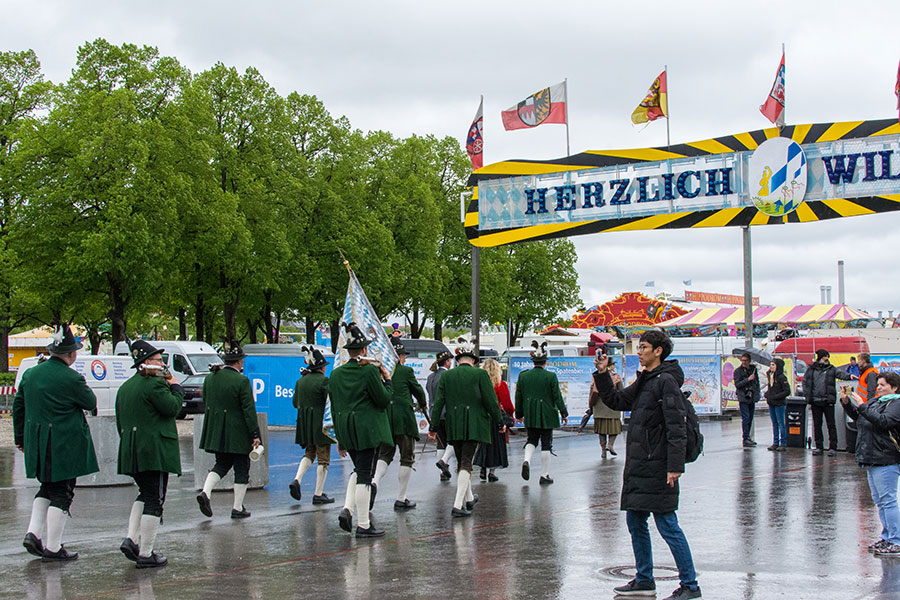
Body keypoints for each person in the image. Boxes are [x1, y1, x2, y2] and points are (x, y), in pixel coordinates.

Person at [594, 329, 702, 600]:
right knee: (635, 520)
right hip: (641, 465)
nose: (639, 351)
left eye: (643, 347)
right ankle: (644, 578)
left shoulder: (665, 381)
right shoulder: (647, 379)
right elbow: (618, 401)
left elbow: (677, 426)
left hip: (658, 465)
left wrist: (675, 466)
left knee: (667, 523)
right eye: (638, 347)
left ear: (658, 351)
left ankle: (690, 584)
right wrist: (603, 373)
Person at [13, 324, 98, 562]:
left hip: (38, 442)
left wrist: (20, 438)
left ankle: (33, 533)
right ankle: (53, 547)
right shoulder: (72, 378)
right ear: (71, 354)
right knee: (62, 492)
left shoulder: (31, 374)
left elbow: (18, 407)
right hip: (64, 444)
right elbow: (90, 402)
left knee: (47, 488)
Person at [115, 340, 184, 568]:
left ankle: (131, 538)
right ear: (146, 363)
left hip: (131, 449)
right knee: (155, 499)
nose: (163, 363)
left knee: (144, 494)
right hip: (154, 450)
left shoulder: (125, 387)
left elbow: (120, 422)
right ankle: (146, 553)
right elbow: (172, 408)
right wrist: (175, 386)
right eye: (158, 360)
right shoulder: (155, 384)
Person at [329, 322, 394, 538]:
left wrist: (339, 438)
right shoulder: (368, 371)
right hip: (367, 429)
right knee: (365, 475)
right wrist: (387, 380)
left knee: (359, 471)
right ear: (364, 350)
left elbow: (335, 407)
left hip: (346, 429)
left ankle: (351, 511)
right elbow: (383, 399)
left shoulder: (336, 374)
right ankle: (364, 524)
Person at [429, 339, 502, 517]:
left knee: (462, 462)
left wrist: (433, 426)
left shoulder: (447, 376)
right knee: (466, 464)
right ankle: (457, 505)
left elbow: (438, 403)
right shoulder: (480, 375)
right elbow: (491, 401)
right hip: (474, 424)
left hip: (454, 424)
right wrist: (499, 421)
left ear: (458, 359)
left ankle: (468, 499)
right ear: (474, 360)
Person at [196, 340, 261, 519]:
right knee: (241, 468)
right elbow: (248, 410)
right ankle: (237, 507)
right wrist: (255, 434)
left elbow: (206, 400)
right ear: (239, 362)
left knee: (221, 464)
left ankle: (206, 492)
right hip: (237, 431)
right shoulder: (242, 380)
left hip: (217, 430)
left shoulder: (210, 378)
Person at [840, 371, 900, 557]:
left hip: (886, 458)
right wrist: (847, 403)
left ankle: (896, 541)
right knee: (880, 501)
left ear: (894, 387)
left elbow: (884, 422)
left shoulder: (896, 404)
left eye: (883, 385)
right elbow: (861, 418)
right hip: (871, 457)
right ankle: (888, 537)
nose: (879, 387)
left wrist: (863, 405)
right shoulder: (876, 401)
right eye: (879, 384)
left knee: (888, 500)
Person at [371, 342, 427, 510]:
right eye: (404, 356)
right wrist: (423, 404)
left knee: (384, 455)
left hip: (386, 419)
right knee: (406, 457)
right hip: (404, 419)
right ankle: (401, 498)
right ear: (400, 357)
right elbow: (418, 390)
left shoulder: (379, 373)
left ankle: (374, 482)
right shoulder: (406, 371)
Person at [515, 341, 568, 484]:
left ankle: (526, 460)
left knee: (531, 439)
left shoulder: (523, 376)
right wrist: (564, 413)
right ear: (545, 362)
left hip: (530, 413)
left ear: (533, 361)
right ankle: (544, 475)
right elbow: (557, 396)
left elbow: (518, 396)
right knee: (546, 443)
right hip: (547, 413)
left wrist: (518, 414)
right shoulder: (550, 376)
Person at [289, 346, 335, 505]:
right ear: (321, 367)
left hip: (304, 424)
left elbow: (295, 403)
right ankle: (318, 493)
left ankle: (297, 479)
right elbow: (330, 403)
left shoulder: (300, 381)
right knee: (323, 458)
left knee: (309, 452)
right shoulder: (324, 381)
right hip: (320, 424)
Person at [803, 349, 853, 456]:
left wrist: (849, 376)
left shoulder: (831, 369)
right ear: (821, 357)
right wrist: (808, 396)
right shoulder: (811, 370)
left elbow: (840, 375)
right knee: (817, 425)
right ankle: (819, 447)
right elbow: (805, 383)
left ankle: (833, 447)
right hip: (815, 401)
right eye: (825, 356)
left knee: (831, 424)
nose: (827, 358)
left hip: (827, 400)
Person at [474, 358, 515, 482]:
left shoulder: (478, 383)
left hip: (481, 416)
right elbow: (507, 404)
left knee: (482, 443)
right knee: (496, 445)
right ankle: (492, 471)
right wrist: (509, 416)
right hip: (495, 416)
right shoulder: (500, 384)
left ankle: (482, 466)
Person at [427, 350, 455, 481]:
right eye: (450, 361)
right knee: (453, 440)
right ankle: (444, 461)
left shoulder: (430, 377)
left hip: (434, 414)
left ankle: (443, 473)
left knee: (440, 443)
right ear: (447, 362)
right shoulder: (448, 376)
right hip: (447, 414)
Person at [589, 365, 623, 459]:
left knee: (601, 431)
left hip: (599, 408)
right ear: (611, 366)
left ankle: (603, 450)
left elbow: (592, 391)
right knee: (614, 429)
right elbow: (621, 390)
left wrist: (591, 406)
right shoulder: (616, 376)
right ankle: (610, 445)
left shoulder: (596, 376)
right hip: (613, 407)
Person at [846, 353, 878, 453]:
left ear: (863, 361)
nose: (858, 362)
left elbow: (871, 392)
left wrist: (868, 407)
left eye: (859, 360)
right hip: (863, 406)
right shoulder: (865, 373)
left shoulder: (870, 373)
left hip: (867, 407)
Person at [733, 353, 760, 448]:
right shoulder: (738, 371)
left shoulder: (753, 370)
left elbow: (757, 383)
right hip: (743, 397)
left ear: (749, 361)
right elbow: (738, 384)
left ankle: (748, 437)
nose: (743, 362)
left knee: (750, 418)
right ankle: (745, 438)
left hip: (751, 397)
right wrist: (747, 379)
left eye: (745, 360)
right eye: (742, 360)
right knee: (746, 417)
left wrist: (757, 395)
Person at [765, 359, 790, 451]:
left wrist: (776, 396)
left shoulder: (781, 377)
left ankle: (783, 443)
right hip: (772, 403)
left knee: (781, 423)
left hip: (779, 404)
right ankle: (775, 442)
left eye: (773, 365)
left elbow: (787, 391)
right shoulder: (772, 377)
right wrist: (767, 394)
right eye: (770, 365)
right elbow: (771, 389)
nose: (771, 367)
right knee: (774, 423)